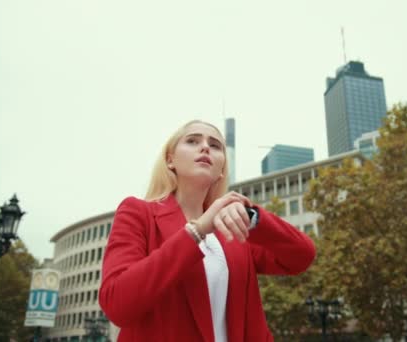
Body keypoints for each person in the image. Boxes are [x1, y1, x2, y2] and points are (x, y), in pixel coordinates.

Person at [99, 120, 316, 341]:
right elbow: (117, 303)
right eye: (192, 141)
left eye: (215, 145)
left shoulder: (232, 230)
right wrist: (197, 231)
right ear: (170, 160)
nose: (205, 147)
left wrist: (252, 217)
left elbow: (301, 256)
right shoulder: (138, 213)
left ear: (221, 169)